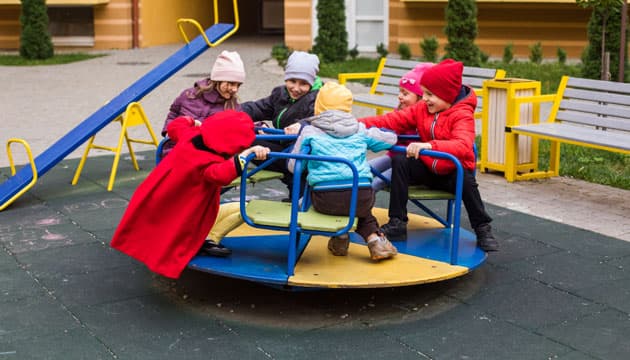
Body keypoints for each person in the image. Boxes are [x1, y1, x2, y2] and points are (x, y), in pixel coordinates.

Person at [359, 59, 499, 252]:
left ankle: (482, 228)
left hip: (451, 172)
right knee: (400, 160)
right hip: (428, 168)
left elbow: (464, 145)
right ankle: (397, 222)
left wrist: (429, 145)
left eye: (429, 94)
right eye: (424, 92)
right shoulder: (422, 108)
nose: (424, 98)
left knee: (466, 181)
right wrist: (355, 123)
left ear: (446, 95)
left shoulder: (462, 114)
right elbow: (392, 120)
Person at [111, 110, 270, 279]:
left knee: (157, 221)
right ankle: (187, 249)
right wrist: (246, 155)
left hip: (164, 191)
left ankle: (144, 246)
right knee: (184, 225)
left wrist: (195, 122)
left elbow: (175, 126)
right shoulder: (209, 159)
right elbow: (221, 175)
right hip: (186, 200)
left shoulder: (191, 134)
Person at [287, 82, 399, 260]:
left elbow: (294, 166)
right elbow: (390, 140)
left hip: (325, 198)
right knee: (361, 210)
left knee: (331, 205)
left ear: (319, 106)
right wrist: (383, 131)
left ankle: (340, 236)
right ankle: (374, 239)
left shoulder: (310, 131)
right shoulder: (359, 129)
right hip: (361, 194)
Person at [242, 51, 322, 199]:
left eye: (303, 83)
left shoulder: (318, 99)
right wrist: (231, 112)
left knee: (297, 173)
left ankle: (299, 200)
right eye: (292, 81)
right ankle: (296, 195)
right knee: (247, 136)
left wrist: (302, 125)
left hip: (303, 154)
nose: (296, 88)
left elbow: (323, 120)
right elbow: (258, 108)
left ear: (311, 83)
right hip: (285, 147)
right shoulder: (280, 94)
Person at [159, 50, 246, 157]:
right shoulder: (189, 95)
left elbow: (243, 125)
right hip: (175, 149)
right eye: (231, 83)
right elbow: (173, 113)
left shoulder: (232, 106)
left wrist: (260, 127)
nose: (235, 89)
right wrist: (168, 131)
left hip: (206, 156)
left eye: (238, 85)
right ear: (218, 80)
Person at [369, 63, 432, 191]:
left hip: (407, 164)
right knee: (364, 169)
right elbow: (387, 125)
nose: (400, 96)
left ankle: (357, 205)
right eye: (400, 91)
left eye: (405, 93)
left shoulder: (424, 118)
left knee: (377, 182)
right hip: (392, 156)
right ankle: (345, 199)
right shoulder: (398, 111)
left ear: (420, 98)